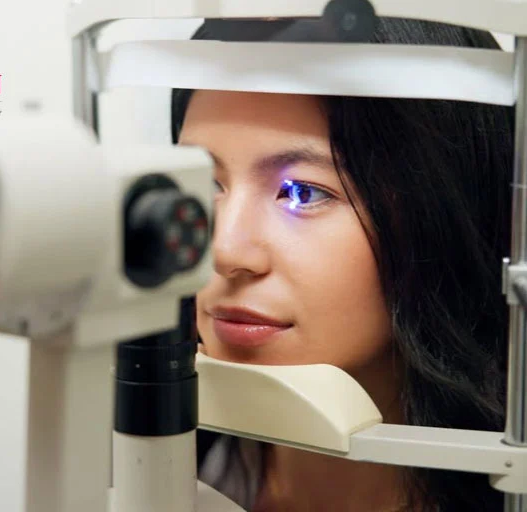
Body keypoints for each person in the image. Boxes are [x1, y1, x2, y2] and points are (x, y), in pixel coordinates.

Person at [173, 18, 513, 512]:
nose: (225, 252)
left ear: (440, 215)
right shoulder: (136, 470)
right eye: (205, 183)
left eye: (302, 192)